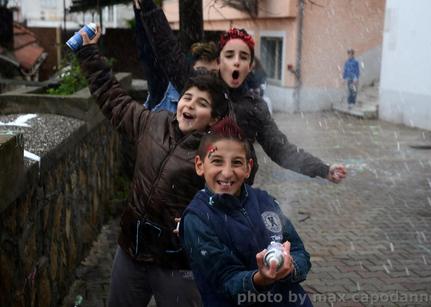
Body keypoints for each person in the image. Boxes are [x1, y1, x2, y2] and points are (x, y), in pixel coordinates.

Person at [76, 26, 229, 307]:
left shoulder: (215, 153)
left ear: (213, 117)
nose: (190, 105)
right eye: (187, 97)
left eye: (202, 103)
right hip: (130, 253)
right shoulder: (154, 123)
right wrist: (88, 53)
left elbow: (229, 201)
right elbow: (114, 99)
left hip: (176, 263)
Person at [137, 0, 346, 185]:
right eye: (229, 55)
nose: (236, 60)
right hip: (195, 195)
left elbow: (281, 150)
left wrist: (323, 170)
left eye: (243, 56)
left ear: (250, 66)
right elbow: (168, 51)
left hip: (235, 197)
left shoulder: (256, 107)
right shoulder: (202, 89)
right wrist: (147, 6)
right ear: (219, 62)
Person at [180, 117, 313, 307]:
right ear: (200, 165)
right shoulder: (197, 218)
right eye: (217, 161)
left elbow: (299, 251)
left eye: (236, 163)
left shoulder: (265, 201)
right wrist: (259, 279)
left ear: (248, 168)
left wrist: (290, 267)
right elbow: (225, 280)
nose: (226, 173)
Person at [133, 1, 218, 113]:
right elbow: (149, 54)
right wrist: (140, 9)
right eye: (200, 72)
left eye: (213, 74)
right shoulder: (163, 91)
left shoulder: (219, 107)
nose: (206, 79)